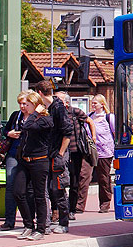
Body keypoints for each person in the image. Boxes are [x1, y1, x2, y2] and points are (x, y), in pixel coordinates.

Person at [13, 91, 54, 240]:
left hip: (39, 160)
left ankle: (41, 228)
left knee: (39, 195)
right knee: (18, 191)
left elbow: (29, 126)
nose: (25, 107)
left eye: (28, 105)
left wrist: (35, 113)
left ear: (36, 106)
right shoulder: (28, 119)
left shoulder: (45, 120)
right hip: (25, 160)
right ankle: (28, 224)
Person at [35, 80, 72, 233]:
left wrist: (60, 154)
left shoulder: (58, 108)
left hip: (57, 153)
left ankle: (64, 222)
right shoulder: (48, 108)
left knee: (58, 188)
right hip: (48, 152)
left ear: (40, 93)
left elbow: (67, 132)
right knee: (48, 189)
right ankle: (48, 221)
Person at [57, 92, 91, 220]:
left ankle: (72, 209)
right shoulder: (54, 113)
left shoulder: (75, 111)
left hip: (75, 150)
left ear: (66, 102)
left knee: (74, 180)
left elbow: (89, 121)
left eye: (58, 99)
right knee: (59, 181)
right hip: (59, 151)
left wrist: (92, 138)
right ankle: (58, 210)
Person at [0, 92, 29, 231]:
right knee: (10, 186)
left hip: (29, 155)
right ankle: (9, 220)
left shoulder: (35, 117)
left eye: (25, 104)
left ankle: (29, 219)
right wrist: (9, 133)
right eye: (21, 104)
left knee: (28, 188)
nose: (22, 106)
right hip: (13, 153)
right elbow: (5, 131)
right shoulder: (15, 115)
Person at [86, 94, 115, 213]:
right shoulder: (89, 116)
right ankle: (78, 205)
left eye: (95, 103)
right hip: (91, 150)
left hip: (105, 151)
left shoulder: (109, 117)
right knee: (84, 176)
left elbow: (114, 132)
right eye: (92, 103)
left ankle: (105, 203)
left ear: (102, 104)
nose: (93, 105)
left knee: (103, 178)